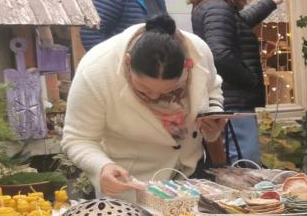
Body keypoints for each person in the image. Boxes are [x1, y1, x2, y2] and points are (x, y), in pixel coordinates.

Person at [62, 14, 228, 200]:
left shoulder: (197, 51)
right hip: (131, 186)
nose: (154, 96)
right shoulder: (96, 71)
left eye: (168, 90)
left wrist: (213, 113)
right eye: (144, 88)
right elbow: (78, 138)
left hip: (190, 178)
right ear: (127, 62)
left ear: (185, 67)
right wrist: (102, 166)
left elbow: (212, 85)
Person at [188, 0, 282, 164]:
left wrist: (268, 2)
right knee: (245, 166)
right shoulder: (217, 8)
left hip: (229, 101)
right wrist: (250, 79)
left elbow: (238, 24)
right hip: (233, 104)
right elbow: (219, 54)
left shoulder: (211, 6)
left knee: (235, 165)